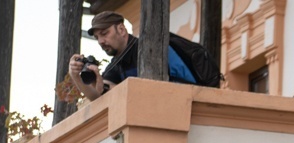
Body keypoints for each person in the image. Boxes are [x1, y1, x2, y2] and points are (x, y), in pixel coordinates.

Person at [67, 12, 199, 101]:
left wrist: (106, 88)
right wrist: (76, 76)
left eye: (105, 33)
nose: (100, 41)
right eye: (97, 37)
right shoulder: (116, 63)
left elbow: (150, 92)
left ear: (121, 29)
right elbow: (96, 96)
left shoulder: (150, 48)